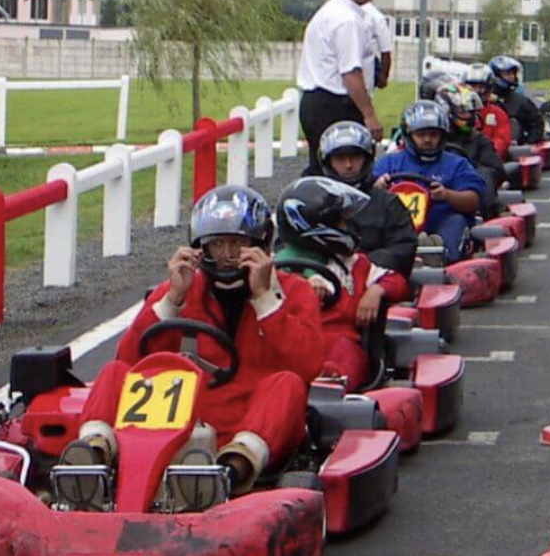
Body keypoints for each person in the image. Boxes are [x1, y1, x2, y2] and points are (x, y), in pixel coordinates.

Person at [57, 185, 323, 511]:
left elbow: (309, 366)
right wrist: (173, 301)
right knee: (114, 373)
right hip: (182, 420)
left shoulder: (294, 292)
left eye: (238, 244)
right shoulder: (183, 288)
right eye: (217, 244)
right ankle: (93, 460)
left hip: (251, 420)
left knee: (289, 385)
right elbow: (129, 361)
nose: (227, 254)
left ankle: (227, 473)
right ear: (200, 248)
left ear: (260, 245)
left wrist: (265, 300)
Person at [274, 177, 411, 388]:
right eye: (340, 222)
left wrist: (376, 290)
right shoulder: (278, 268)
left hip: (339, 342)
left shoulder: (355, 264)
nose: (347, 227)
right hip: (292, 343)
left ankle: (328, 385)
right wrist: (302, 289)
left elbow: (398, 281)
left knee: (342, 350)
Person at [373, 101, 487, 264]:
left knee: (456, 221)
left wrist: (447, 195)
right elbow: (363, 198)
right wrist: (378, 188)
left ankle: (441, 257)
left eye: (433, 135)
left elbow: (474, 200)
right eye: (421, 135)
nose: (427, 140)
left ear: (442, 135)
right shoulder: (389, 163)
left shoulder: (457, 164)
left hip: (440, 222)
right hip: (395, 226)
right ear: (409, 134)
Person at [297, 0, 382, 174]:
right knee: (345, 172)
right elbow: (351, 72)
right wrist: (369, 114)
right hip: (335, 105)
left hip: (317, 102)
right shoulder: (347, 21)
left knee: (322, 167)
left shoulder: (330, 12)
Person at [318, 121, 419, 277]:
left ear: (368, 158)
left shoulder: (388, 203)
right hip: (323, 281)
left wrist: (359, 265)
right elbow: (289, 248)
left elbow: (403, 251)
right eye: (340, 158)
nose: (348, 165)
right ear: (327, 161)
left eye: (355, 157)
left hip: (375, 282)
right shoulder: (314, 202)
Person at [436, 81, 508, 213]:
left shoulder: (480, 141)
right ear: (446, 111)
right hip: (434, 195)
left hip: (469, 197)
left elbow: (497, 171)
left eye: (471, 111)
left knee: (485, 172)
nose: (469, 116)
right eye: (463, 111)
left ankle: (486, 212)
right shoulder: (433, 141)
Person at [489, 55, 543, 144]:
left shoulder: (521, 101)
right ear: (496, 75)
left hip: (514, 150)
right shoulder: (483, 101)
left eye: (513, 73)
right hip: (487, 149)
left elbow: (537, 125)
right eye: (507, 73)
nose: (512, 77)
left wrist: (528, 143)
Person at [463, 62, 512, 158]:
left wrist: (486, 153)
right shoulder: (457, 112)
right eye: (473, 86)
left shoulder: (498, 114)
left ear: (489, 88)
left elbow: (501, 141)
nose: (476, 91)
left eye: (481, 87)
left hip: (486, 162)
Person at [361, 0, 393, 89]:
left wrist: (382, 76)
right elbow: (386, 52)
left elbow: (386, 52)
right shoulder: (375, 16)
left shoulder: (376, 17)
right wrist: (383, 77)